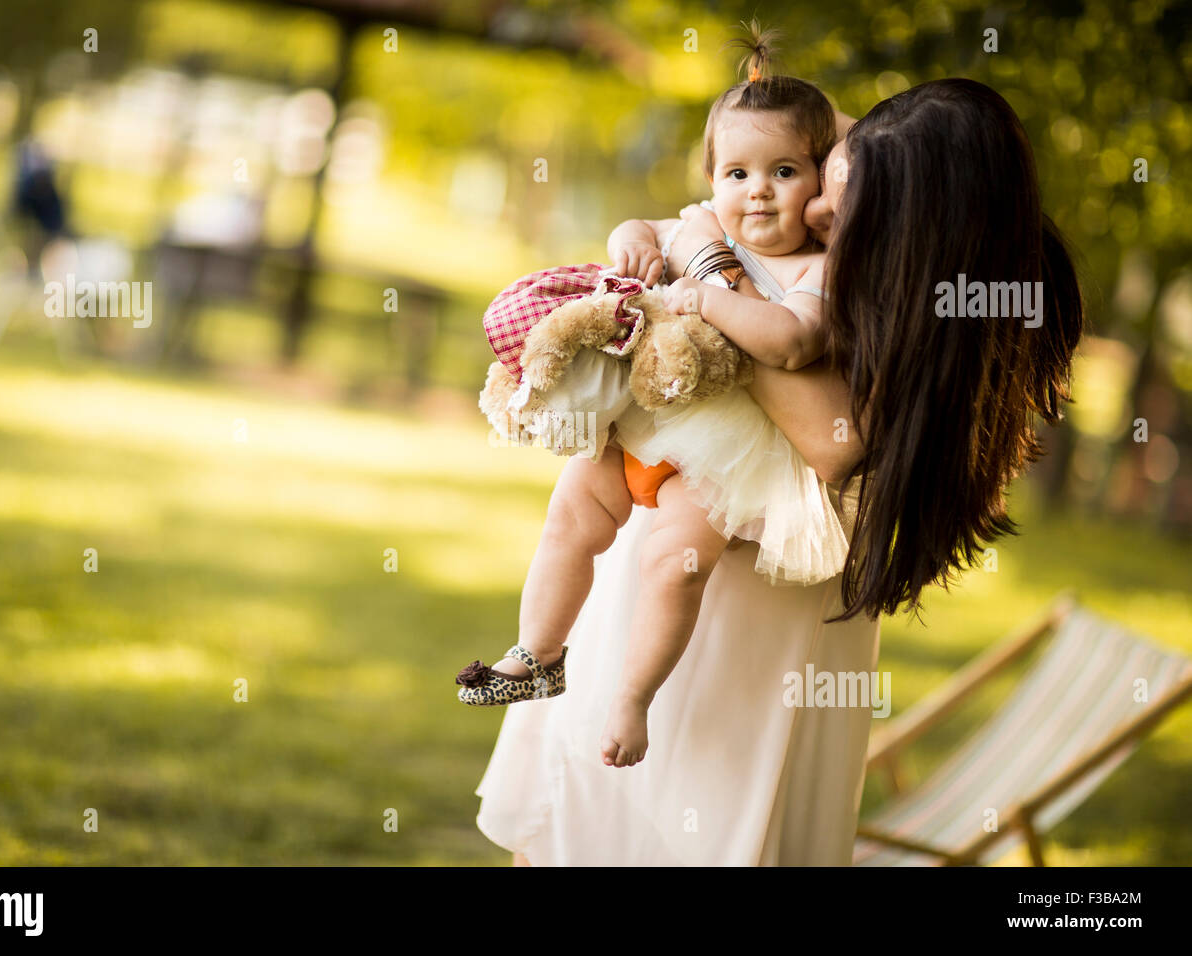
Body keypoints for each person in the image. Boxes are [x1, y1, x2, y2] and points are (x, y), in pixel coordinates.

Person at [472, 72, 1084, 865]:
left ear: (906, 226)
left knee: (680, 830)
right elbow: (796, 125)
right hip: (674, 550)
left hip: (746, 615)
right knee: (574, 827)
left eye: (837, 197)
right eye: (821, 178)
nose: (815, 213)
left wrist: (712, 269)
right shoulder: (888, 223)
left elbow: (830, 437)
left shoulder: (914, 312)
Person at [458, 33, 851, 771]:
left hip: (720, 470)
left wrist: (705, 292)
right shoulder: (697, 224)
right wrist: (632, 243)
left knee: (675, 565)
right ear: (712, 179)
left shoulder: (815, 270)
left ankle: (633, 698)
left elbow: (794, 343)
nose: (757, 190)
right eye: (736, 172)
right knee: (570, 518)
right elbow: (637, 229)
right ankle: (537, 652)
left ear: (821, 188)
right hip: (637, 432)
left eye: (785, 171)